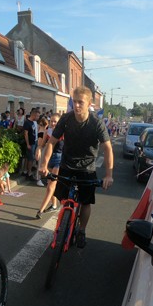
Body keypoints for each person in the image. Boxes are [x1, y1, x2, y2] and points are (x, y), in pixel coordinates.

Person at [39, 86, 114, 248]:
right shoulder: (66, 119)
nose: (77, 106)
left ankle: (82, 230)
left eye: (81, 102)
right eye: (75, 102)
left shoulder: (96, 123)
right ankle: (66, 217)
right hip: (67, 164)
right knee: (62, 197)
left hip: (87, 168)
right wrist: (44, 164)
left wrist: (109, 174)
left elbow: (107, 148)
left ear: (89, 103)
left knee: (86, 202)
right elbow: (52, 142)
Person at [36, 113, 63, 218]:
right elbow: (41, 144)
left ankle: (40, 210)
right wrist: (38, 150)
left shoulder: (63, 132)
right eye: (51, 121)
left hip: (59, 159)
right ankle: (54, 205)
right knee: (50, 184)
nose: (53, 123)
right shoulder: (48, 131)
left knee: (50, 186)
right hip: (49, 159)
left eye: (55, 121)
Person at [23, 108, 40, 180]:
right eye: (37, 116)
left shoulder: (35, 122)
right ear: (33, 115)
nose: (38, 118)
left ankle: (27, 170)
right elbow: (25, 134)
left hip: (35, 141)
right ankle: (28, 173)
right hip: (30, 143)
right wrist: (28, 144)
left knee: (32, 157)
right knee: (30, 158)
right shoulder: (27, 122)